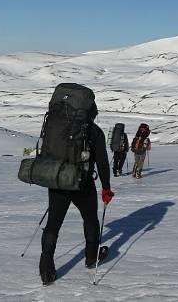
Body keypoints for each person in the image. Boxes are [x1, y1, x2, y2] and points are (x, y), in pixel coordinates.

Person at [39, 102, 114, 285]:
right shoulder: (94, 132)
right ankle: (91, 257)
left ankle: (46, 268)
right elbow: (103, 163)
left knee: (53, 224)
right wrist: (106, 188)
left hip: (57, 181)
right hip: (82, 184)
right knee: (90, 220)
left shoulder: (56, 126)